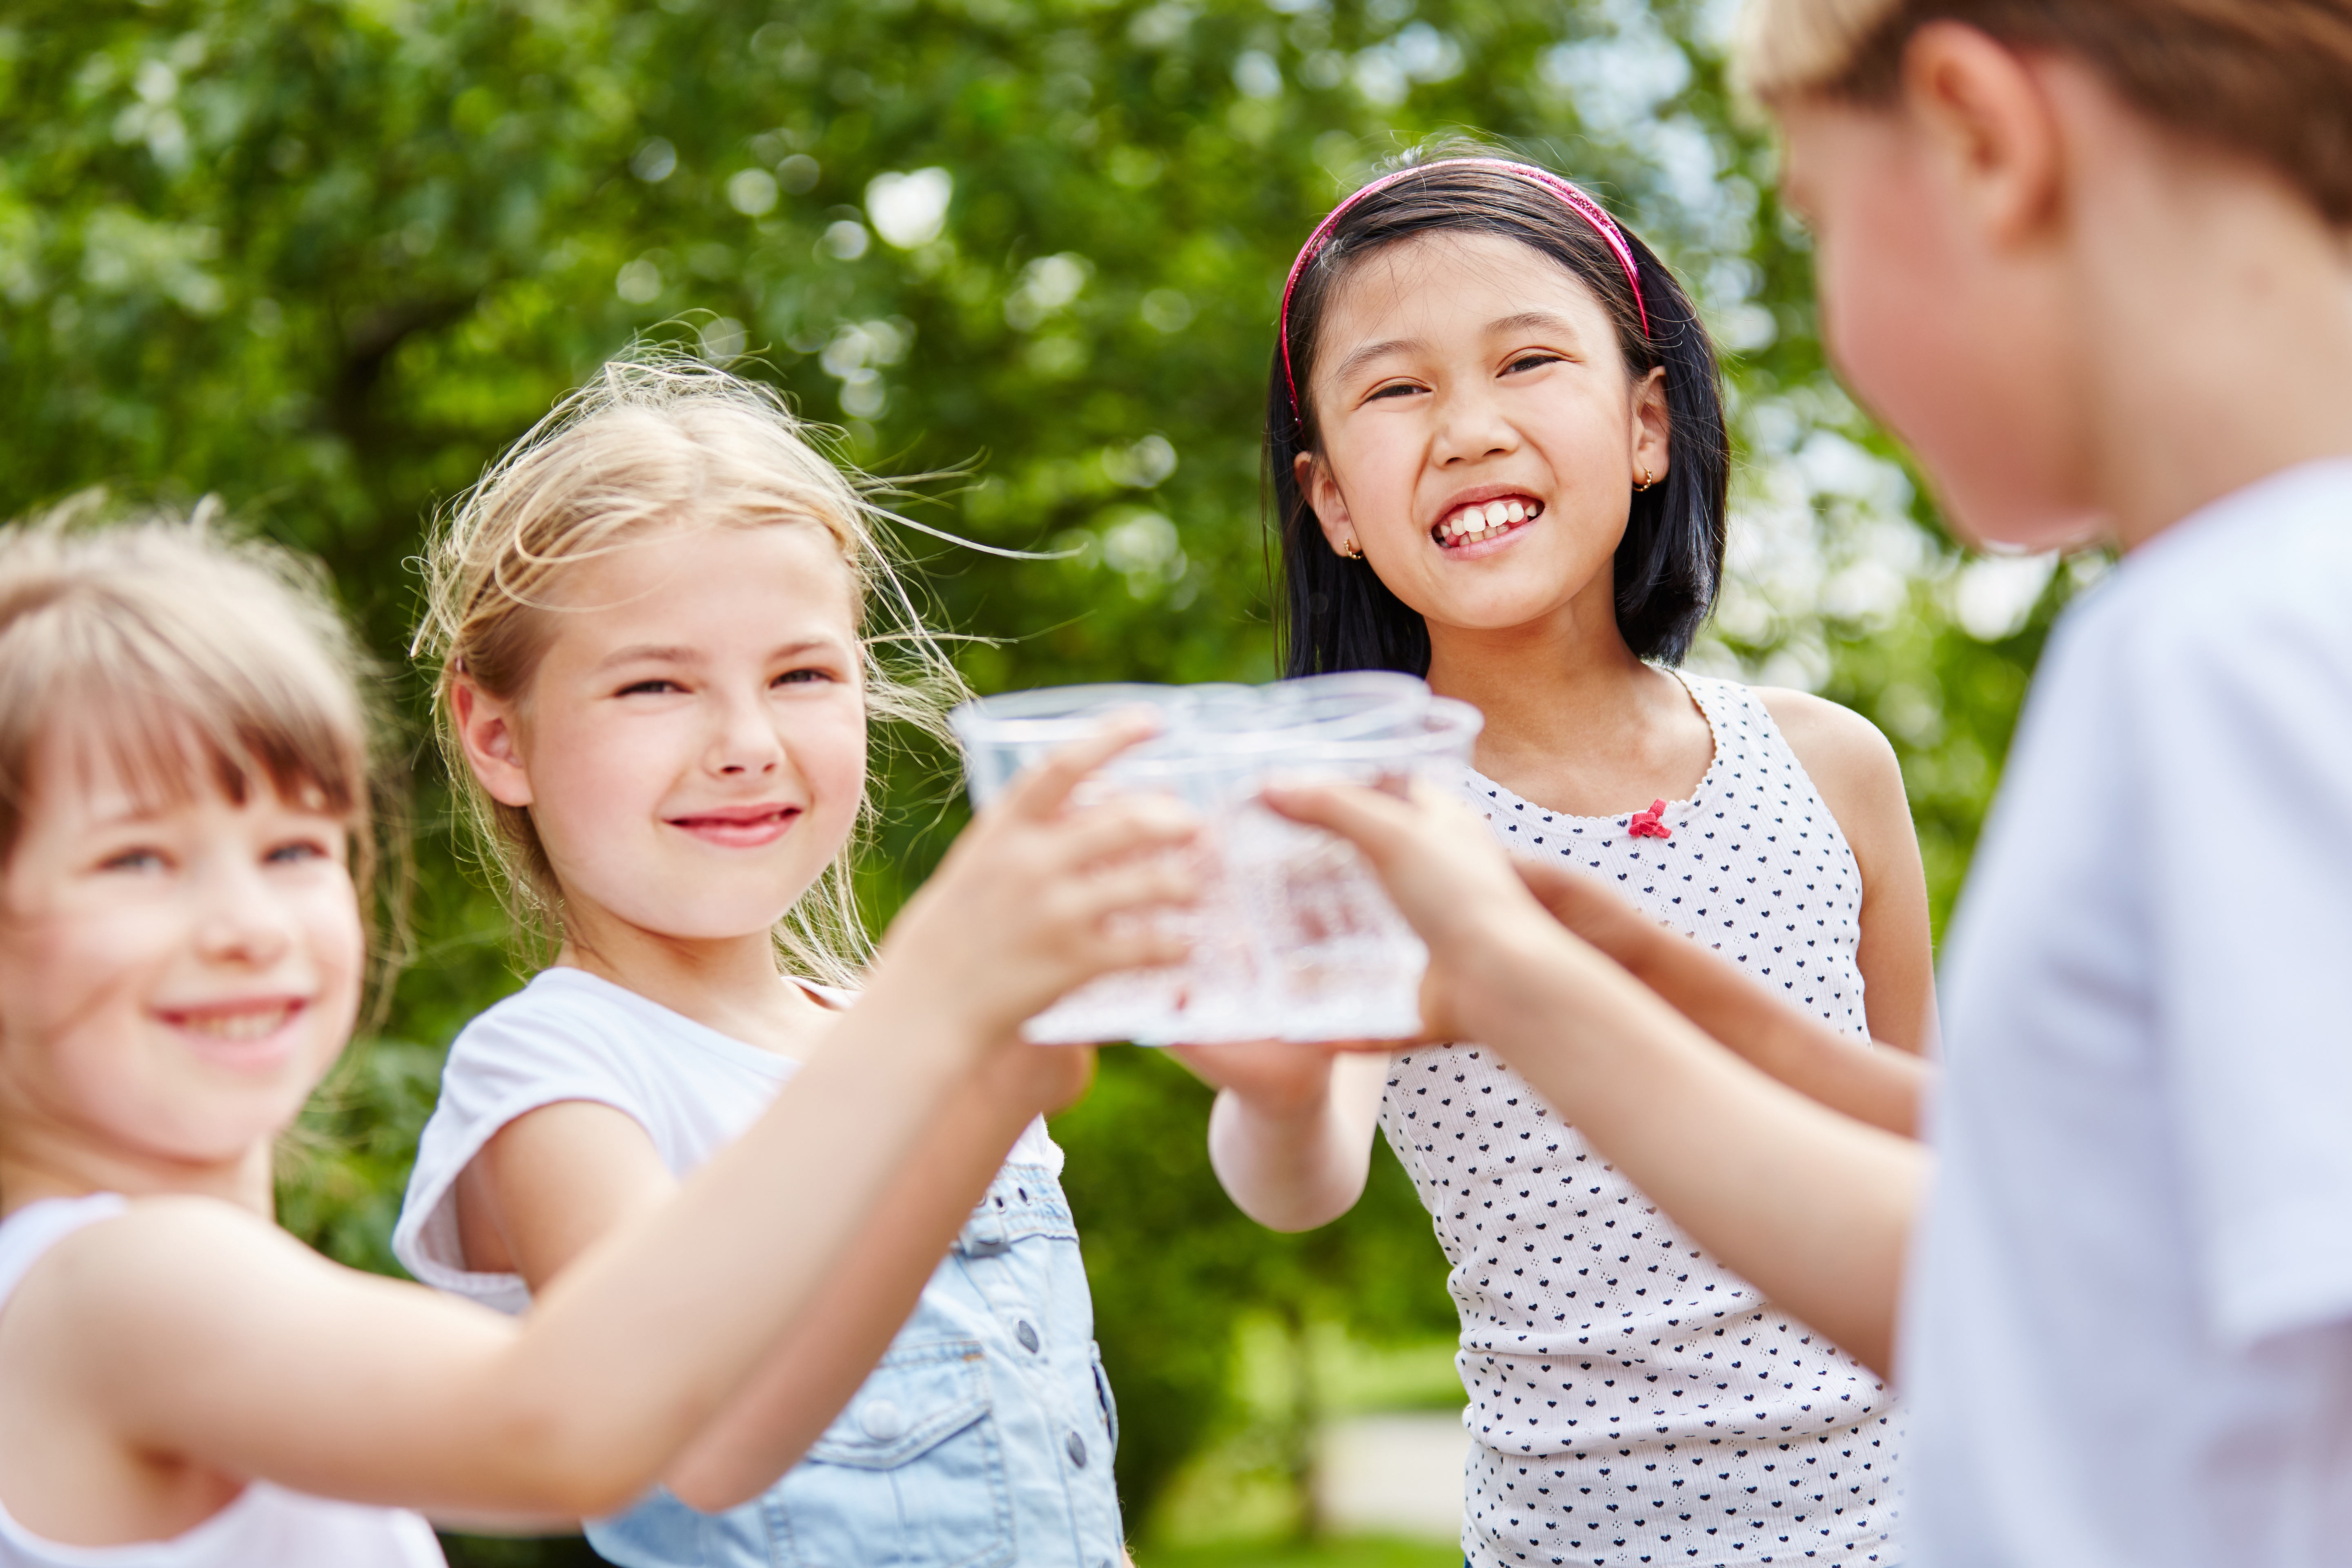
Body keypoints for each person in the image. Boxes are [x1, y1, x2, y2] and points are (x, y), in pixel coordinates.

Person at [1268, 3, 2352, 1564]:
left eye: (1819, 221)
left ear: (1983, 135)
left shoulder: (2235, 644)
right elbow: (2056, 1225)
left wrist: (1518, 978)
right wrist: (1652, 988)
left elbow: (2041, 1303)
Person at [0, 506, 1191, 1564]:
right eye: (136, 860)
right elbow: (569, 1428)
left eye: (295, 851)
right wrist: (932, 1001)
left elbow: (713, 1447)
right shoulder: (119, 1282)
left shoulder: (165, 1286)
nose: (248, 927)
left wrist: (977, 1077)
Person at [1178, 148, 1935, 1568]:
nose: (1466, 429)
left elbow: (1924, 1151)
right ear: (1333, 500)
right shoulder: (1357, 822)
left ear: (1649, 425)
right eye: (1397, 390)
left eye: (1527, 361)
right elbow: (1301, 1175)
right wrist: (1274, 1095)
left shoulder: (1833, 766)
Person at [392, 358, 1138, 1568]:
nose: (744, 744)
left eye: (800, 674)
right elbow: (703, 1440)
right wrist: (959, 1070)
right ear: (497, 736)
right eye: (654, 684)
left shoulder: (930, 1042)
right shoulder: (555, 1072)